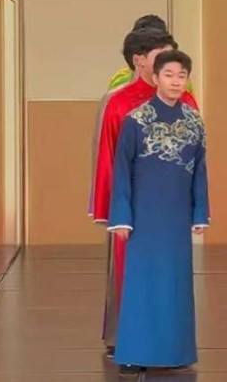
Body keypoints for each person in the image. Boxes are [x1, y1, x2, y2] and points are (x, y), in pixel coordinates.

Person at [89, 29, 199, 356]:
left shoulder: (187, 103)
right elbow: (109, 159)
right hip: (134, 207)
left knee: (173, 276)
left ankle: (172, 344)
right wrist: (112, 209)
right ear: (139, 61)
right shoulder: (119, 102)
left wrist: (197, 207)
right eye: (160, 58)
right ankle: (132, 343)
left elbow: (197, 160)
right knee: (132, 275)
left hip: (173, 206)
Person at [109, 50, 209, 376]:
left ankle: (175, 351)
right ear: (155, 78)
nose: (176, 81)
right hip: (143, 215)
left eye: (182, 75)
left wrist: (200, 212)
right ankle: (133, 353)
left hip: (177, 215)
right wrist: (121, 216)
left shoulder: (194, 121)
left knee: (175, 282)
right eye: (169, 75)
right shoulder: (136, 120)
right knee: (142, 282)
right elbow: (121, 170)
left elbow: (200, 169)